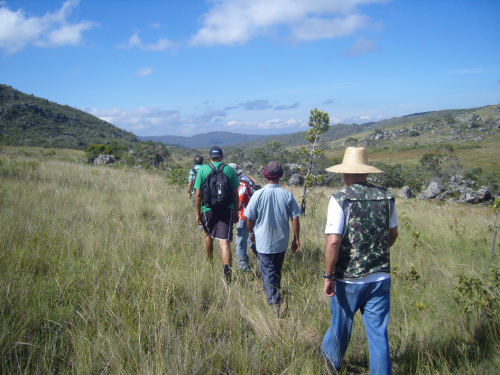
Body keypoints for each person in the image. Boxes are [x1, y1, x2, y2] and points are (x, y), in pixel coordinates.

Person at [322, 147, 399, 374]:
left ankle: (331, 366)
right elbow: (392, 234)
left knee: (341, 327)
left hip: (348, 277)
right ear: (366, 172)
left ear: (345, 173)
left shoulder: (340, 198)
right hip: (380, 275)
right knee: (378, 334)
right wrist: (375, 252)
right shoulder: (386, 196)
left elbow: (334, 241)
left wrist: (328, 275)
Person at [245, 161, 301, 314]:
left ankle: (273, 302)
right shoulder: (286, 194)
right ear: (280, 176)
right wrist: (296, 239)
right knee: (277, 269)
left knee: (267, 270)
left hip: (263, 240)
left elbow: (248, 217)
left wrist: (251, 233)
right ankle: (276, 295)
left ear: (265, 174)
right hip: (281, 241)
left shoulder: (258, 194)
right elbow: (295, 218)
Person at [194, 146, 240, 282]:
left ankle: (209, 262)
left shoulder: (203, 169)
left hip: (208, 209)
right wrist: (236, 211)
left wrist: (198, 214)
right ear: (222, 157)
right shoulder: (229, 169)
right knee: (224, 242)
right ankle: (228, 275)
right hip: (227, 208)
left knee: (208, 235)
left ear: (209, 158)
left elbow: (198, 194)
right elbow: (235, 194)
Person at [228, 163, 257, 272]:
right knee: (250, 240)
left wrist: (233, 213)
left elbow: (240, 201)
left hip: (243, 216)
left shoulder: (241, 184)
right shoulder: (248, 179)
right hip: (250, 215)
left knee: (240, 242)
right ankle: (265, 258)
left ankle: (243, 269)